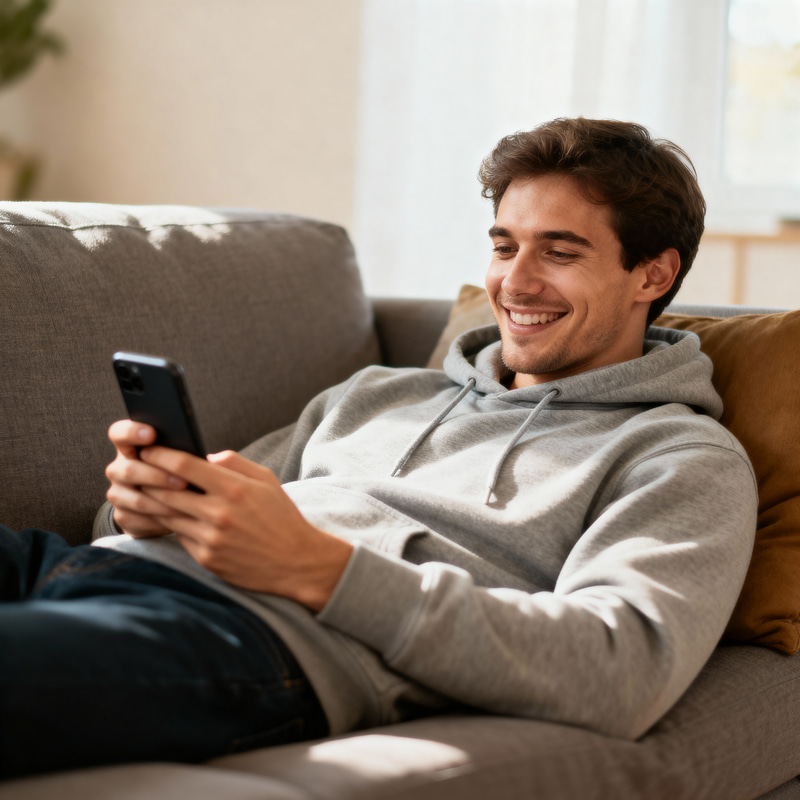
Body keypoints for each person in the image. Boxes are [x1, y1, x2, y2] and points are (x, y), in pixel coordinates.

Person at [0, 118, 758, 778]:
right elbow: (152, 518)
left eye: (559, 252)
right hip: (77, 566)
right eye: (504, 246)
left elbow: (619, 670)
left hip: (247, 643)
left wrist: (320, 568)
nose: (514, 283)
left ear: (652, 273)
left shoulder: (678, 457)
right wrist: (143, 507)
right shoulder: (379, 393)